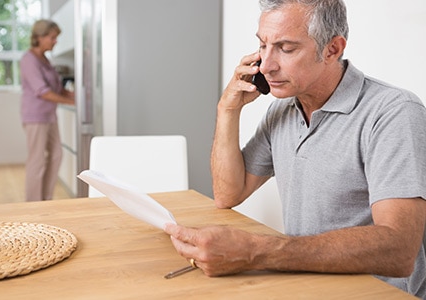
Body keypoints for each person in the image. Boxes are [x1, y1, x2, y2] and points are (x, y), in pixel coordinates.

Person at [164, 0, 426, 297]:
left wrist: (257, 251)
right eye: (263, 45)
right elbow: (228, 193)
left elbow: (400, 250)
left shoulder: (393, 113)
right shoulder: (284, 110)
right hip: (306, 286)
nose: (266, 65)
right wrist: (227, 108)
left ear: (332, 49)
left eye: (286, 49)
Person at [20, 20, 74, 201]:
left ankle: (46, 199)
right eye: (52, 37)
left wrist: (77, 98)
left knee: (56, 155)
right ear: (39, 37)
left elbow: (57, 89)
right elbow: (42, 91)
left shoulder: (45, 60)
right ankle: (34, 203)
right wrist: (70, 101)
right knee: (37, 160)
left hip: (50, 116)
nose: (55, 41)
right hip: (35, 117)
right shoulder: (29, 59)